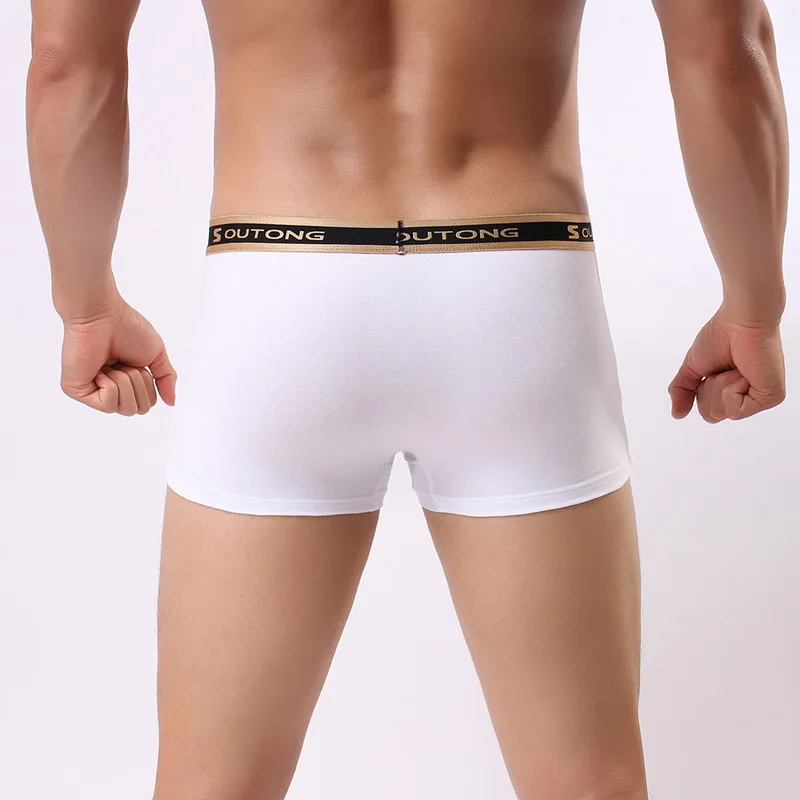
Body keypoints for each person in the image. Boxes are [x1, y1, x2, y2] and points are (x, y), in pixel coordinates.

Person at [25, 0, 788, 797]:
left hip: (279, 288)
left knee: (208, 786)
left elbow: (66, 64)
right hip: (518, 286)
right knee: (591, 786)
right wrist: (752, 309)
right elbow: (725, 52)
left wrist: (86, 304)